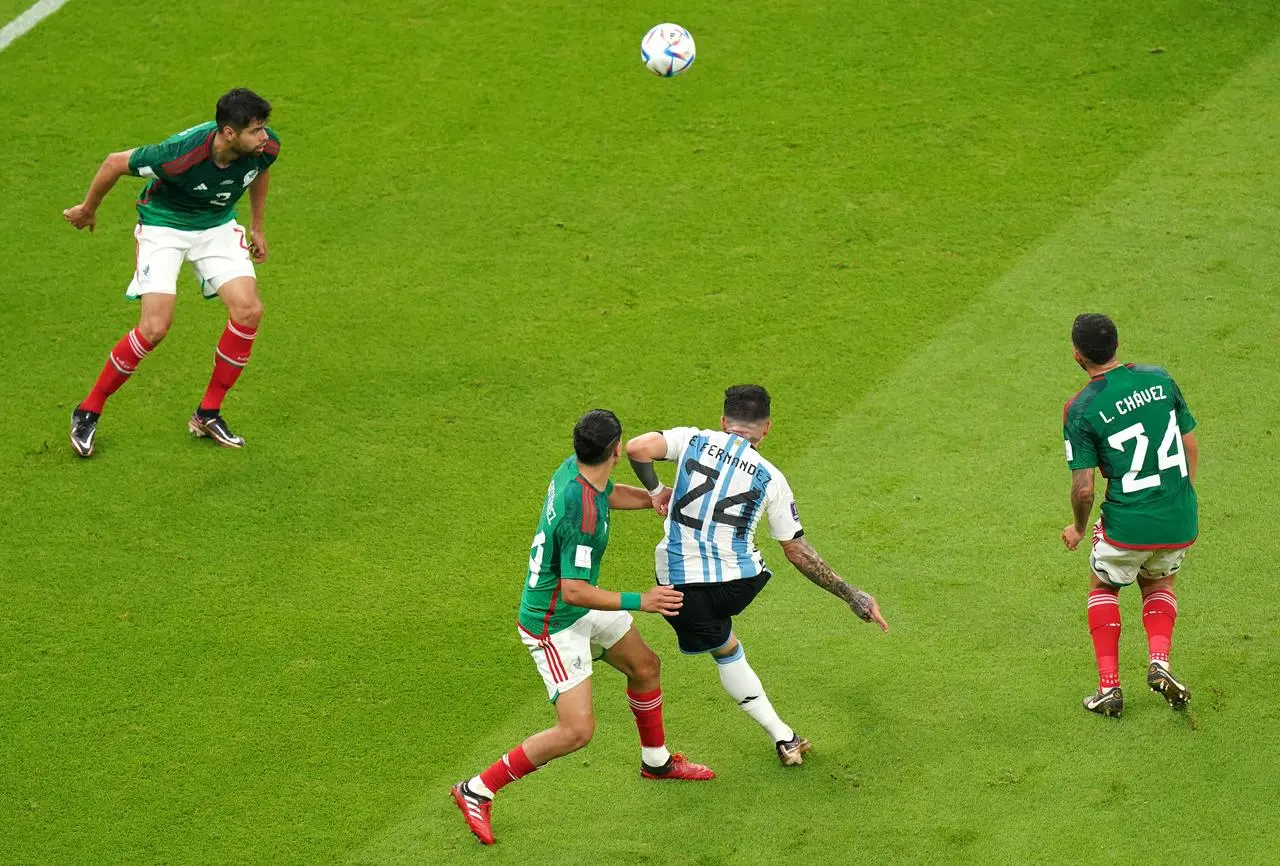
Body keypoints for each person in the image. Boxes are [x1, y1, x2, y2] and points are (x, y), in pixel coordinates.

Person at [452, 409, 714, 847]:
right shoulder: (585, 519)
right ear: (616, 450)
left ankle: (657, 762)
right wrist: (642, 601)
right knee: (576, 731)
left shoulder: (573, 470)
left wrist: (653, 496)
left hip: (578, 605)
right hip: (554, 622)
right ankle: (476, 789)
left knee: (645, 667)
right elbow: (574, 590)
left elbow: (607, 493)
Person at [625, 385, 888, 767]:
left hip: (680, 587)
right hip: (740, 584)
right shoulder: (772, 478)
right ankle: (786, 738)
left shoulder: (693, 440)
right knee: (728, 640)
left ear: (722, 422)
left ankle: (782, 735)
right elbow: (797, 551)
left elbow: (636, 448)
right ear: (766, 429)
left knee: (725, 651)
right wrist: (853, 596)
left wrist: (656, 490)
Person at [63, 88, 281, 456]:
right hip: (165, 226)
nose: (264, 137)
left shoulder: (265, 147)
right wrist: (87, 209)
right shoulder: (178, 156)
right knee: (154, 328)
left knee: (249, 311)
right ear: (229, 133)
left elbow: (260, 171)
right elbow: (115, 162)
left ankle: (207, 413)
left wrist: (257, 226)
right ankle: (88, 411)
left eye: (263, 128)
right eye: (255, 130)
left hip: (215, 226)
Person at [1061, 313, 1199, 717]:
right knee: (1158, 584)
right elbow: (1189, 443)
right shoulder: (1160, 379)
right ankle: (1160, 662)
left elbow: (1084, 488)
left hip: (1128, 525)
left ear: (1077, 355)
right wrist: (1178, 497)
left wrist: (1079, 528)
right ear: (1116, 345)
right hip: (1179, 518)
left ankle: (1109, 690)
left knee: (1103, 588)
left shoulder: (1081, 407)